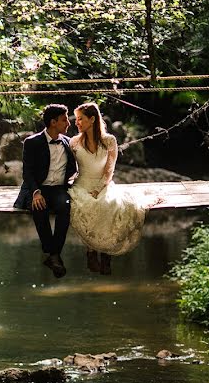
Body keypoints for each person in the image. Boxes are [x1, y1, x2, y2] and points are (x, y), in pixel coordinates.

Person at [68, 102, 151, 275]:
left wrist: (99, 189)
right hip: (82, 184)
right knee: (85, 206)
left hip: (103, 183)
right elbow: (69, 167)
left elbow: (109, 169)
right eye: (76, 119)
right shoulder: (74, 142)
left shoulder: (109, 140)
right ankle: (91, 251)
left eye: (80, 119)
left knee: (109, 204)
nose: (77, 123)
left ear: (92, 119)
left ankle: (106, 253)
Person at [13, 104, 77, 278]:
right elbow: (27, 172)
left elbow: (73, 169)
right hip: (38, 188)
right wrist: (35, 192)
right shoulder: (32, 142)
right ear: (53, 122)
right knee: (39, 208)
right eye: (65, 119)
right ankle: (54, 254)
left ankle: (53, 254)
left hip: (58, 189)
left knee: (65, 207)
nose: (68, 123)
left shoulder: (68, 142)